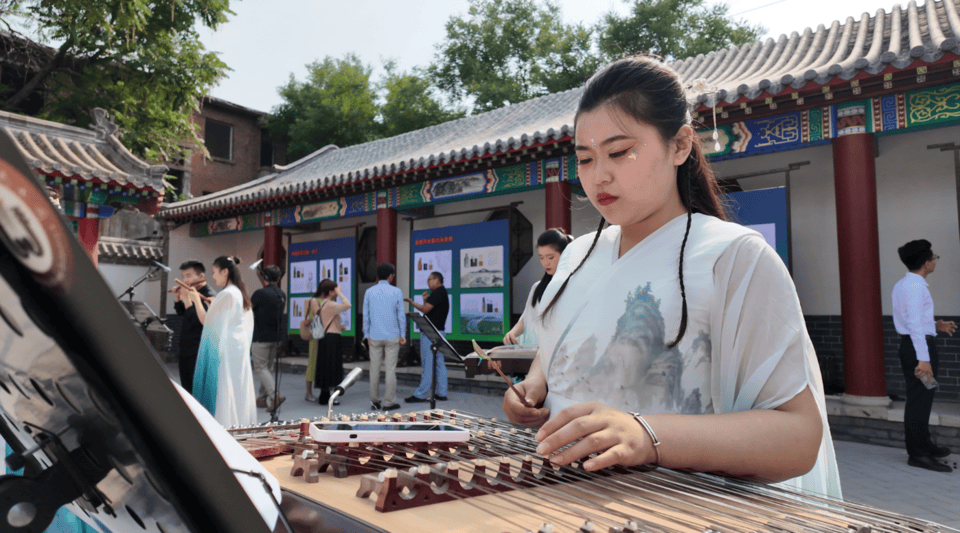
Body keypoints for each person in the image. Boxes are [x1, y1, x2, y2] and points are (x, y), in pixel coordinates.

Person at [502, 55, 841, 497]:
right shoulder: (576, 257)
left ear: (680, 146)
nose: (598, 175)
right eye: (585, 159)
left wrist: (646, 436)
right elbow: (558, 362)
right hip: (562, 499)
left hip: (678, 511)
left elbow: (797, 438)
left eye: (620, 152)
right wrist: (530, 392)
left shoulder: (732, 257)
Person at [892, 240, 957, 472]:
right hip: (918, 349)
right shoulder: (915, 287)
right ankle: (918, 453)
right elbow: (914, 325)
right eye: (934, 258)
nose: (935, 261)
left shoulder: (905, 284)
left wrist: (936, 325)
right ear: (927, 263)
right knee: (919, 400)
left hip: (915, 346)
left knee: (923, 397)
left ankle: (924, 444)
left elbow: (916, 320)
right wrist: (924, 359)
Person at [186, 256, 256, 428]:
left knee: (224, 389)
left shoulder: (226, 294)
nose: (214, 277)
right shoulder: (237, 292)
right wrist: (213, 305)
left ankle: (223, 427)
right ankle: (237, 425)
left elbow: (207, 321)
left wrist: (195, 300)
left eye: (215, 272)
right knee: (235, 389)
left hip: (225, 351)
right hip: (236, 349)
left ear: (225, 271)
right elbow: (225, 320)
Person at [503, 229, 574, 346]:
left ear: (564, 254)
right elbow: (527, 318)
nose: (546, 263)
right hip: (536, 351)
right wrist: (512, 332)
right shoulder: (537, 288)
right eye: (541, 257)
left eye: (550, 257)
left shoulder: (572, 285)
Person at [363, 263, 407, 411]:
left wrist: (366, 334)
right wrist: (403, 334)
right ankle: (389, 402)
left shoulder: (369, 292)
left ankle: (374, 402)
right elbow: (401, 315)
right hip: (393, 336)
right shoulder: (397, 292)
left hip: (374, 336)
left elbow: (366, 316)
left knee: (374, 369)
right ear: (390, 276)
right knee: (390, 369)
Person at [404, 272, 450, 403]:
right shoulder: (442, 293)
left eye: (429, 280)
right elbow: (430, 310)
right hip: (439, 332)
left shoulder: (437, 292)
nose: (428, 283)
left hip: (430, 333)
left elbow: (424, 310)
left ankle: (420, 394)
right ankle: (442, 393)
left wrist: (412, 302)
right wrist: (425, 300)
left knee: (428, 363)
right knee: (439, 363)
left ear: (436, 280)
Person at [171, 260, 214, 394]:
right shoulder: (192, 291)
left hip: (198, 348)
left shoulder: (209, 295)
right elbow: (182, 314)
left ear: (201, 276)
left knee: (196, 389)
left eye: (188, 276)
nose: (185, 280)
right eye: (183, 276)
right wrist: (177, 298)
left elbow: (198, 321)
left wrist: (188, 301)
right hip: (186, 346)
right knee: (186, 385)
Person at [306, 279, 352, 405]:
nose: (337, 292)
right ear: (330, 291)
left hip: (325, 338)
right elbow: (348, 305)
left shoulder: (324, 304)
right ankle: (331, 397)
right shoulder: (330, 304)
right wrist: (341, 294)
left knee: (325, 366)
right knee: (332, 367)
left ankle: (324, 396)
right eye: (335, 290)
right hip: (332, 338)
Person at [251, 265, 286, 412]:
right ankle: (261, 398)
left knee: (260, 367)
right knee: (267, 368)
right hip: (276, 337)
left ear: (263, 278)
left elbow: (248, 310)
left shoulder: (259, 294)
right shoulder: (281, 294)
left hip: (260, 336)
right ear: (279, 278)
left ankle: (275, 395)